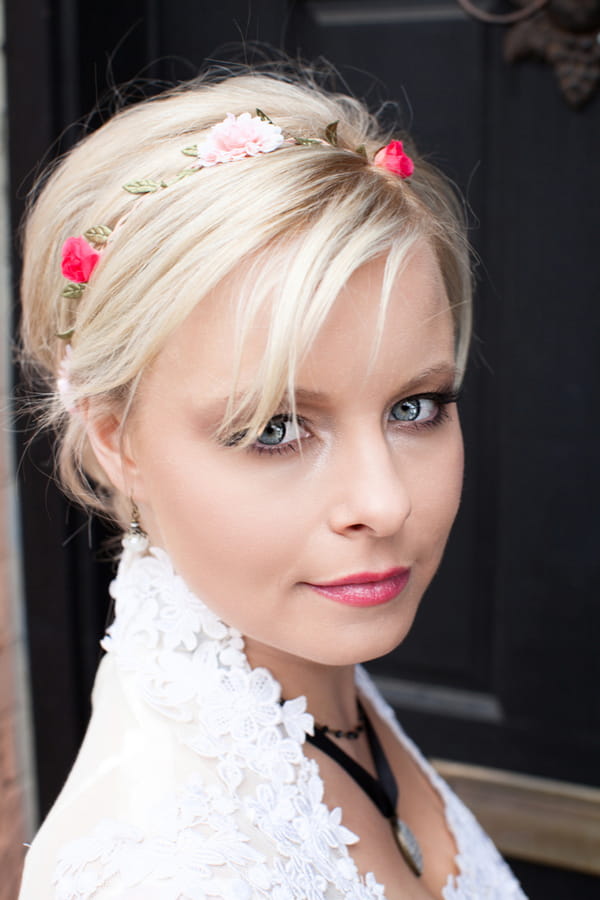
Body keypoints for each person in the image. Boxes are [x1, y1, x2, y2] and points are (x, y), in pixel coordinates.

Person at [18, 66, 527, 900]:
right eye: (275, 429)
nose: (384, 502)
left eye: (414, 406)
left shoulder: (302, 683)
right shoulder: (166, 874)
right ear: (116, 441)